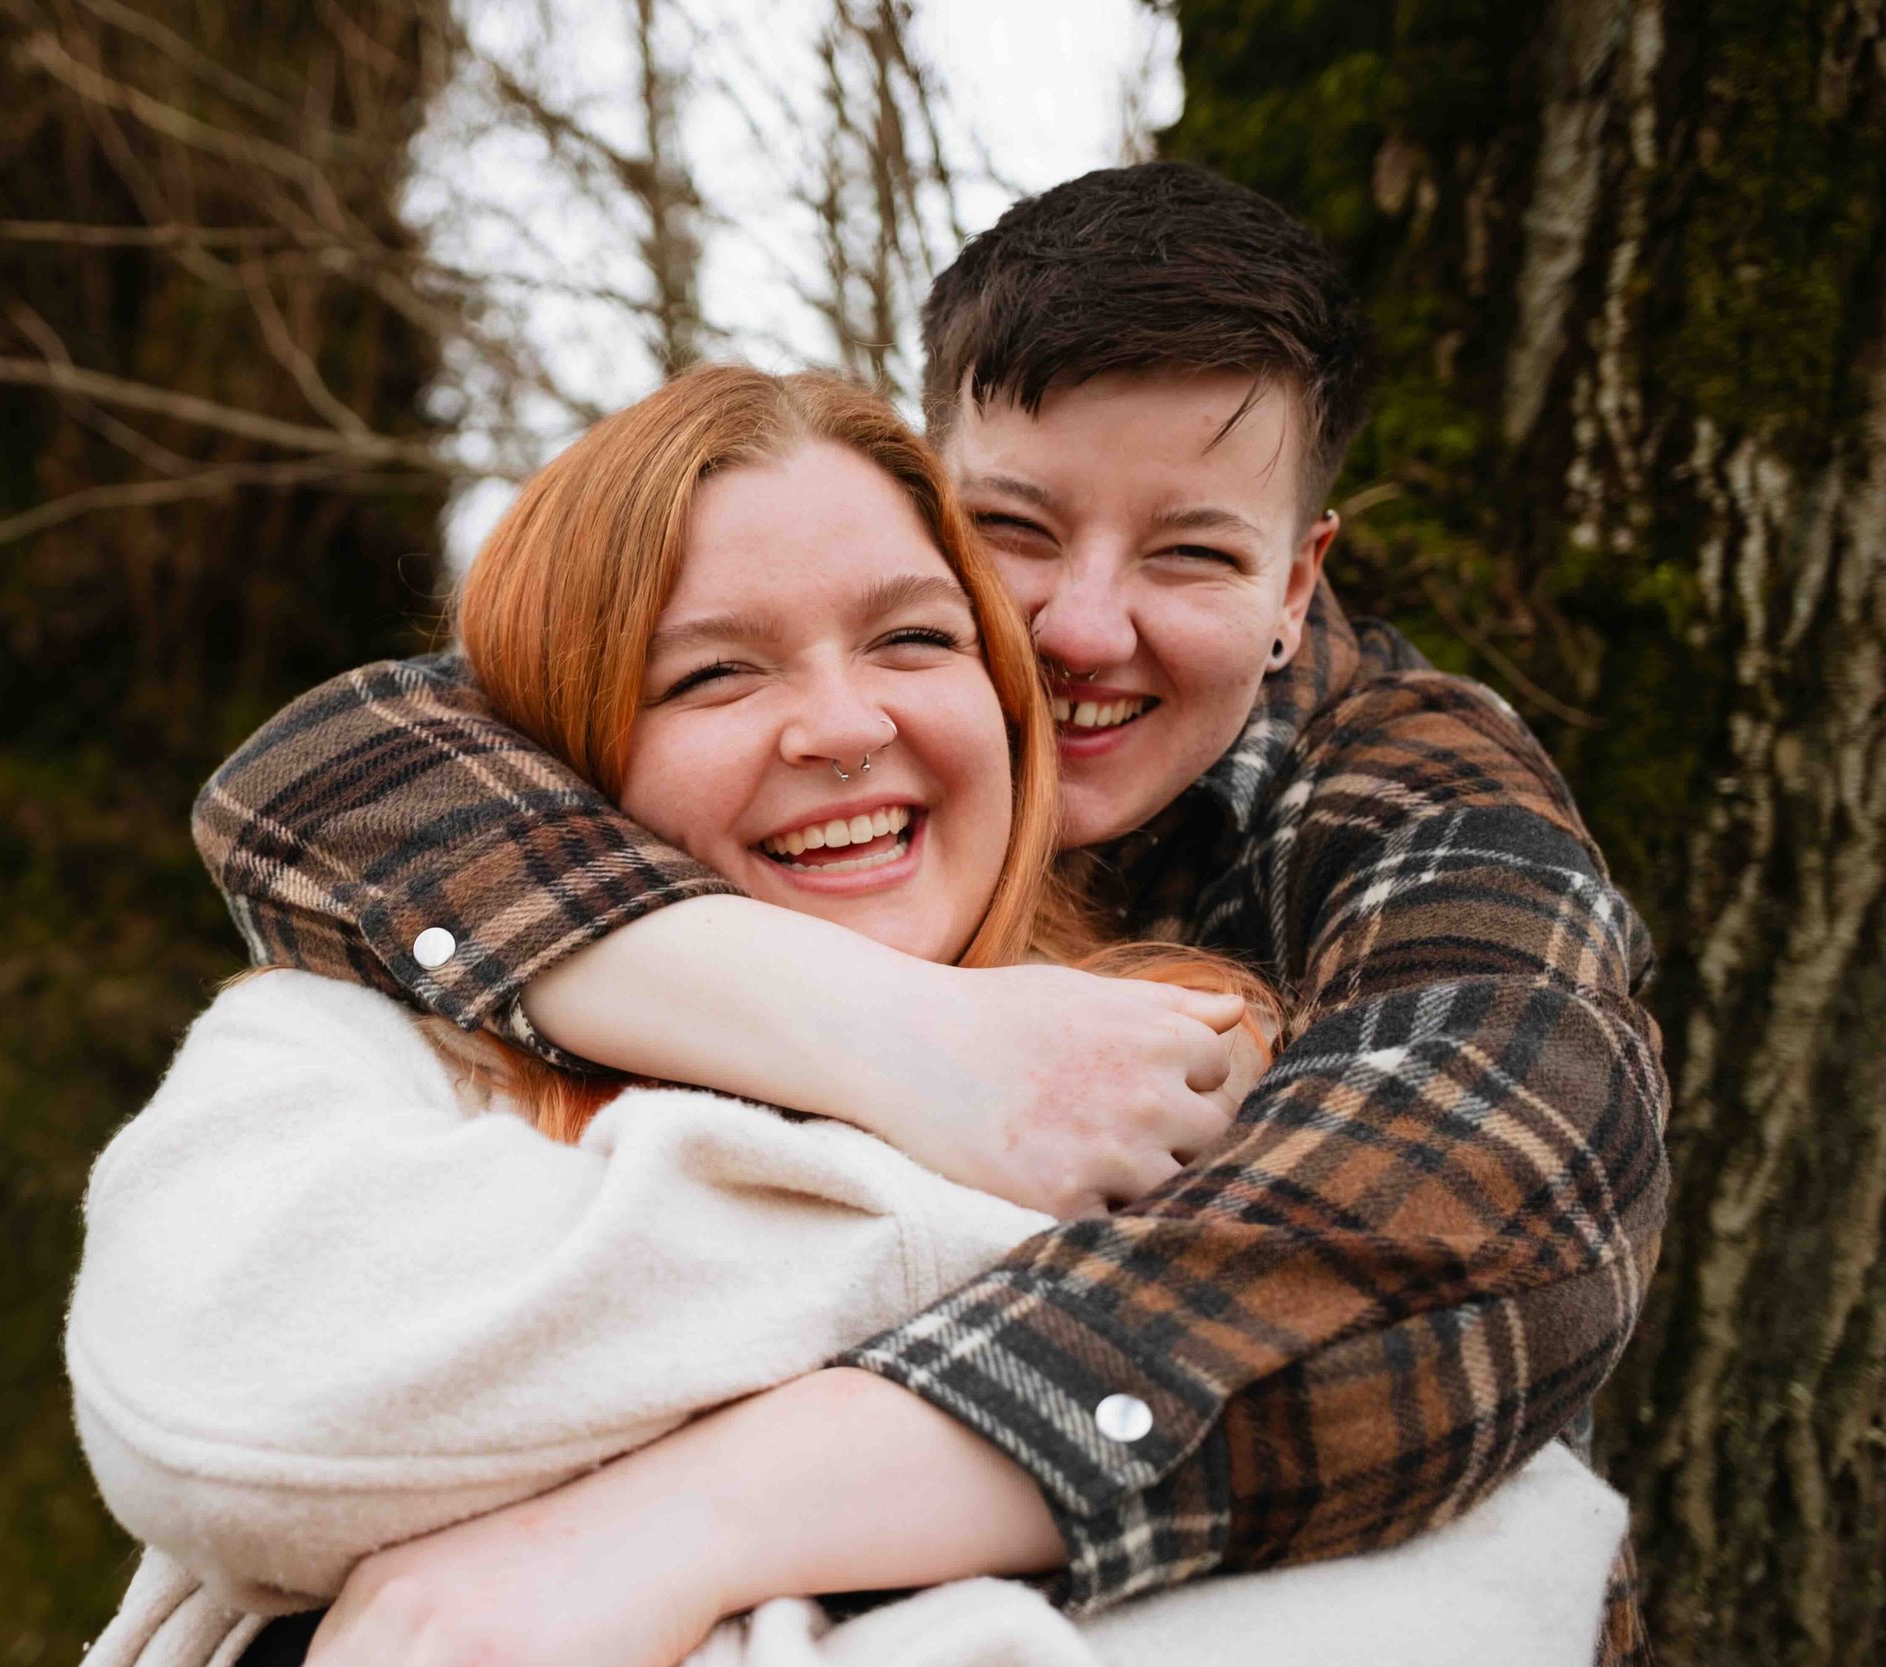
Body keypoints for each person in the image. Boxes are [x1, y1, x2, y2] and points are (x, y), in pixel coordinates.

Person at [187, 163, 1670, 1665]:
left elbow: (1508, 1189)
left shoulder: (1414, 792)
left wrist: (689, 1519)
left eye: (1193, 553)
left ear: (1296, 587)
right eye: (1017, 529)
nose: (1085, 628)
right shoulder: (800, 680)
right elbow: (331, 773)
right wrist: (910, 1038)